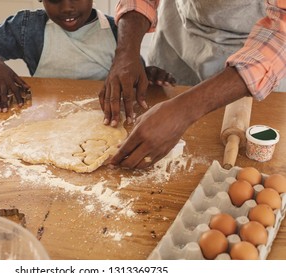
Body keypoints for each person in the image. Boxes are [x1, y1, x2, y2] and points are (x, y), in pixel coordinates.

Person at [100, 0, 286, 169]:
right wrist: (125, 52)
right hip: (179, 33)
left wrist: (184, 110)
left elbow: (281, 36)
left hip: (255, 52)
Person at [0, 0, 175, 113]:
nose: (67, 8)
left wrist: (147, 74)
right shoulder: (28, 28)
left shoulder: (121, 33)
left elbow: (130, 75)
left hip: (103, 120)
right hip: (47, 123)